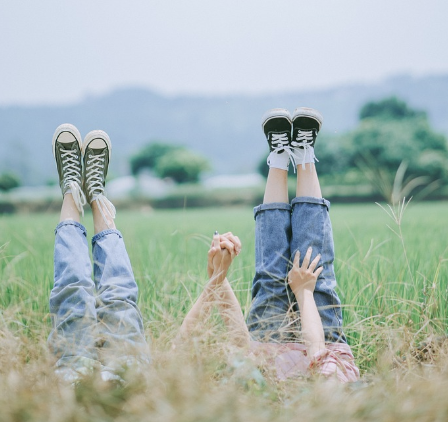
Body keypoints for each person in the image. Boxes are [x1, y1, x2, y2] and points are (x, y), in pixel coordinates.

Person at [179, 108, 359, 382]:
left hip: (268, 345)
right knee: (314, 267)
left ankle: (278, 158)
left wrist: (218, 277)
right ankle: (304, 154)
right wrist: (304, 293)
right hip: (322, 339)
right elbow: (320, 357)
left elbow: (241, 346)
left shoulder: (257, 391)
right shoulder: (332, 392)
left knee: (272, 276)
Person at [48, 124, 149, 383]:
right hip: (127, 373)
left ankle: (72, 189)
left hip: (73, 373)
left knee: (72, 290)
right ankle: (95, 194)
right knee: (119, 296)